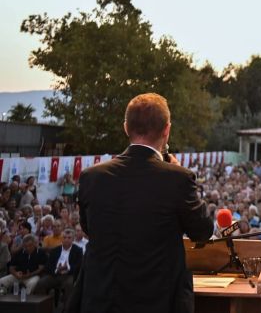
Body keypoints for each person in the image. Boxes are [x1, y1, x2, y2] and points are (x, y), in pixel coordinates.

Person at [75, 93, 214, 313]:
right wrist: (180, 175)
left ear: (125, 128)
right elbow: (203, 231)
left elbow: (89, 229)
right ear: (166, 130)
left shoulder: (91, 176)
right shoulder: (178, 179)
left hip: (102, 300)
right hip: (157, 302)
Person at [35, 228, 83, 307]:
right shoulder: (55, 250)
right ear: (61, 239)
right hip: (55, 274)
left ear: (73, 239)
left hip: (68, 275)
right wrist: (57, 269)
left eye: (69, 238)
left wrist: (67, 267)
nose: (66, 240)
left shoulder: (78, 250)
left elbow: (79, 265)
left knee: (69, 285)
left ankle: (67, 308)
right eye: (64, 237)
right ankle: (43, 307)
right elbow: (48, 266)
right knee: (40, 283)